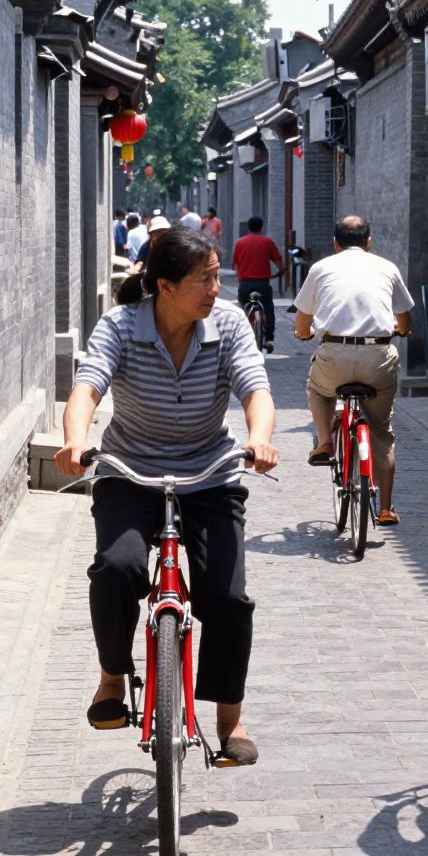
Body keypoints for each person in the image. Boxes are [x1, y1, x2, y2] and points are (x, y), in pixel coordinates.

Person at [54, 228, 278, 765]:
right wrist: (75, 440)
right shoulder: (122, 326)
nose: (215, 289)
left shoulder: (227, 324)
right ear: (165, 286)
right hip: (129, 472)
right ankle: (112, 676)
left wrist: (261, 438)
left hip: (211, 474)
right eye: (204, 279)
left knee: (226, 598)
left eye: (217, 276)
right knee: (116, 567)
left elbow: (255, 389)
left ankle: (230, 720)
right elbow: (87, 387)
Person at [293, 215, 413, 526]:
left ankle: (324, 441)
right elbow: (405, 319)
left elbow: (302, 322)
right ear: (369, 242)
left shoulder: (320, 268)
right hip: (379, 357)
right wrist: (400, 330)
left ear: (335, 243)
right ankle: (386, 508)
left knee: (317, 388)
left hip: (334, 355)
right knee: (381, 431)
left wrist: (304, 334)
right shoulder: (387, 267)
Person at [232, 216, 283, 354]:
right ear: (262, 227)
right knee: (268, 309)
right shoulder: (268, 242)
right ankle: (268, 339)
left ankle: (240, 336)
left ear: (248, 227)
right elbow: (280, 264)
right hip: (263, 284)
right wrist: (279, 273)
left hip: (245, 284)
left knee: (241, 310)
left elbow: (235, 264)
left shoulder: (240, 243)